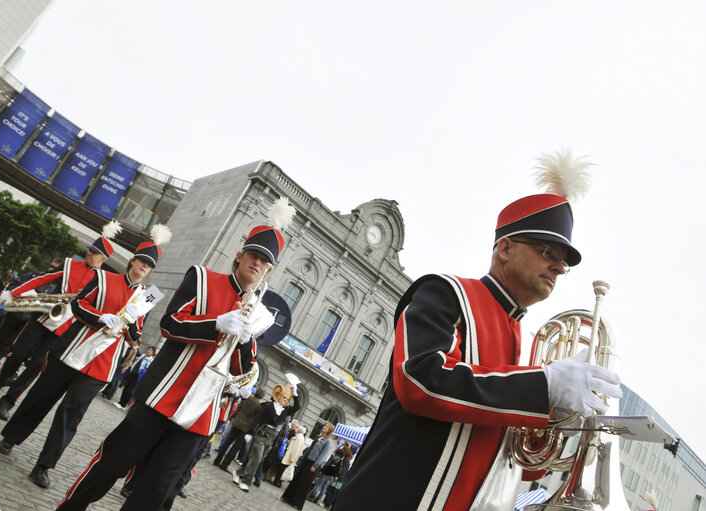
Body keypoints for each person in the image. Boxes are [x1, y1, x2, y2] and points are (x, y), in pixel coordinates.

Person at [333, 150, 623, 510]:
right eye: (549, 252)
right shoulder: (445, 292)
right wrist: (543, 386)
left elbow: (521, 466)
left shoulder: (522, 341)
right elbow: (419, 380)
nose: (559, 268)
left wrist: (556, 419)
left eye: (564, 262)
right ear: (505, 248)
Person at [56, 197, 295, 511]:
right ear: (239, 256)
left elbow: (240, 369)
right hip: (161, 395)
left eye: (265, 263)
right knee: (111, 464)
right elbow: (170, 323)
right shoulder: (202, 277)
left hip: (199, 415)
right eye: (253, 256)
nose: (258, 264)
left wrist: (246, 340)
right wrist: (216, 324)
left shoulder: (260, 314)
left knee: (155, 493)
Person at [0, 227, 169, 489]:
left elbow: (135, 337)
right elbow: (78, 305)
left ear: (151, 271)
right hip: (71, 350)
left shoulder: (145, 297)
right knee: (40, 397)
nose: (144, 267)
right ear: (133, 260)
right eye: (142, 261)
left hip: (100, 365)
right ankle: (11, 437)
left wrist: (132, 321)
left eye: (149, 266)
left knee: (71, 416)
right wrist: (100, 316)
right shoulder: (103, 277)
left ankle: (44, 465)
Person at [0, 222, 121, 418]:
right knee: (17, 355)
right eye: (89, 249)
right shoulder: (70, 264)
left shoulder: (103, 279)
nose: (88, 253)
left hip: (64, 330)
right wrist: (14, 292)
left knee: (35, 367)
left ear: (103, 258)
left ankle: (8, 402)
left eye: (94, 252)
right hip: (42, 318)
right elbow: (42, 279)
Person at [0, 261, 62, 375]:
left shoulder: (58, 286)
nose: (51, 269)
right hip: (16, 312)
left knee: (15, 346)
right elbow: (14, 284)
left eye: (55, 268)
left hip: (33, 319)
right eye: (51, 266)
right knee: (0, 339)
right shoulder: (34, 275)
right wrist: (25, 293)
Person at [233, 379, 302, 492]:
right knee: (256, 458)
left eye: (287, 399)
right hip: (261, 433)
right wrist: (250, 433)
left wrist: (295, 394)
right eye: (284, 397)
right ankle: (246, 481)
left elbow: (297, 406)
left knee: (258, 459)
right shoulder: (267, 406)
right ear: (277, 395)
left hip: (272, 437)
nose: (285, 401)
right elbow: (257, 419)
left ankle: (238, 472)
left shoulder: (286, 410)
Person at [281, 422, 335, 510]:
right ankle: (289, 497)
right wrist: (303, 454)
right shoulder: (318, 437)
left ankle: (296, 502)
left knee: (304, 483)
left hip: (313, 464)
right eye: (324, 426)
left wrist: (315, 465)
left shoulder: (327, 442)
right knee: (297, 479)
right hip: (306, 460)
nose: (324, 427)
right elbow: (311, 448)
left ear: (330, 430)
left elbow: (323, 455)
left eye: (327, 427)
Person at [213, 386, 266, 471]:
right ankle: (224, 464)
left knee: (227, 443)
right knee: (235, 447)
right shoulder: (259, 406)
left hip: (237, 423)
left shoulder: (247, 399)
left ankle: (217, 460)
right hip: (245, 428)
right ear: (262, 396)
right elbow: (256, 418)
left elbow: (239, 408)